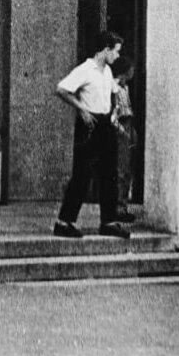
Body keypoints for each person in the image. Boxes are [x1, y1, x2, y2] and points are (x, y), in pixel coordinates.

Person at [52, 30, 130, 239]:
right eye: (115, 51)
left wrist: (114, 112)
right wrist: (81, 109)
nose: (117, 56)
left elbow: (112, 92)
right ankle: (64, 222)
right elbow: (62, 89)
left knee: (109, 174)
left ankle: (108, 222)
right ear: (105, 50)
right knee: (82, 174)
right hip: (90, 124)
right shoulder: (85, 70)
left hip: (105, 122)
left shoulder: (107, 71)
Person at [111, 55, 138, 219]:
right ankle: (118, 207)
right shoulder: (114, 87)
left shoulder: (125, 88)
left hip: (128, 124)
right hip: (120, 126)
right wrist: (121, 130)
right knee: (121, 169)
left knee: (127, 169)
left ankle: (123, 204)